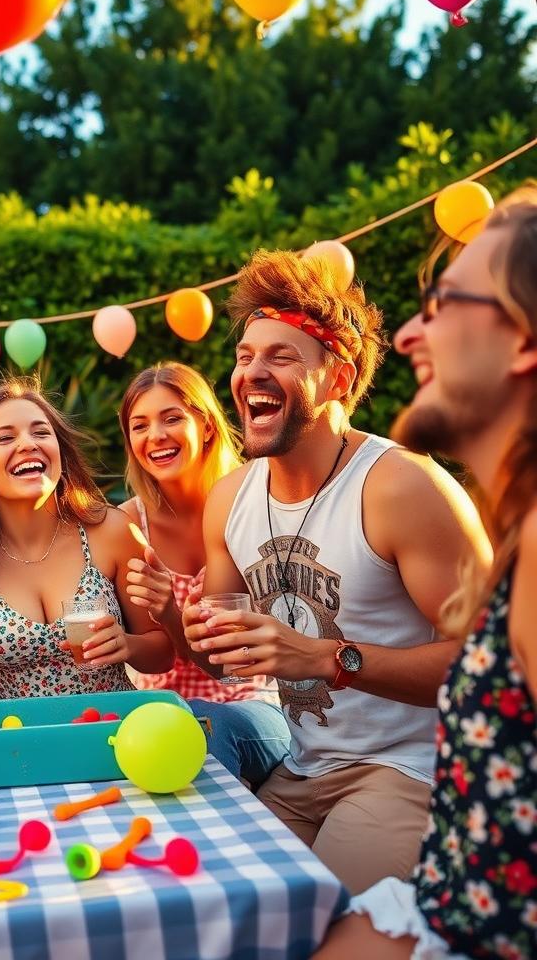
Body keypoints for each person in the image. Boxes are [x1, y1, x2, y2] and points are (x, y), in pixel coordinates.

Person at [183, 249, 490, 893]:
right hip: (303, 769)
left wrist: (327, 658)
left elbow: (493, 666)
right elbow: (216, 660)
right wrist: (194, 627)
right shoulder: (229, 499)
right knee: (226, 898)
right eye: (244, 356)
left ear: (339, 379)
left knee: (325, 919)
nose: (251, 373)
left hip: (408, 766)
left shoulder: (400, 488)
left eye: (281, 357)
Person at [316, 189, 537, 958]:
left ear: (521, 343)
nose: (409, 332)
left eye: (442, 305)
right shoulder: (520, 536)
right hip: (445, 897)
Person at [0, 376, 173, 700]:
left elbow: (162, 652)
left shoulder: (112, 531)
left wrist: (126, 644)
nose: (27, 444)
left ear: (60, 453)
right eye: (5, 438)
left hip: (114, 733)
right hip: (17, 743)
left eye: (41, 432)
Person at [119, 362, 290, 787]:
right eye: (139, 426)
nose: (155, 435)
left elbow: (232, 667)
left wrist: (171, 612)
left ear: (208, 427)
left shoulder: (252, 510)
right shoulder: (128, 526)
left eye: (172, 418)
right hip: (158, 714)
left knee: (201, 726)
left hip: (254, 704)